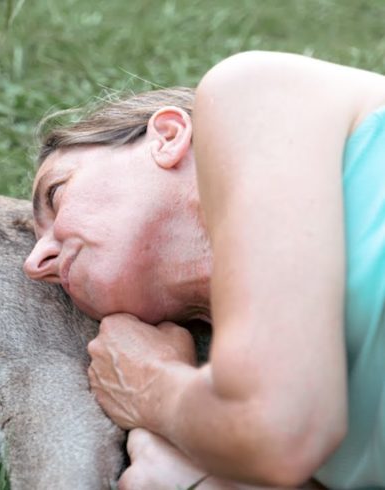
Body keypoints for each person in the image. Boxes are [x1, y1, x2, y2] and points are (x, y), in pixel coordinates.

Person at [23, 50, 385, 489]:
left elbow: (282, 430)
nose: (35, 262)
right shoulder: (240, 406)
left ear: (168, 135)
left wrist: (150, 386)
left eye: (57, 193)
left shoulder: (253, 93)